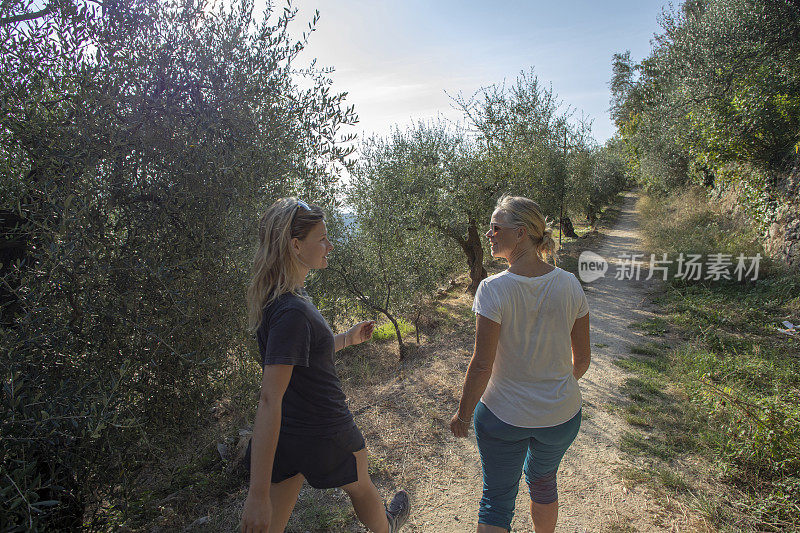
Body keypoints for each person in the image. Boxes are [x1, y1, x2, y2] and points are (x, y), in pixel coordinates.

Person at [240, 198, 410, 533]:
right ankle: (387, 526)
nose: (329, 246)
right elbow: (269, 400)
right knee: (361, 486)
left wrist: (346, 338)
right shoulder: (293, 310)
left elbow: (298, 357)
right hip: (325, 427)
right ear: (296, 245)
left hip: (288, 433)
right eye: (322, 239)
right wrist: (256, 494)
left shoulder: (284, 297)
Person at [450, 195, 591, 533]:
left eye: (496, 227)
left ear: (522, 233)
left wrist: (463, 414)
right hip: (560, 417)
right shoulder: (569, 283)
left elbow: (482, 364)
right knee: (543, 484)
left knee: (496, 500)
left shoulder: (493, 290)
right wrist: (553, 385)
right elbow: (583, 360)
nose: (488, 234)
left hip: (503, 416)